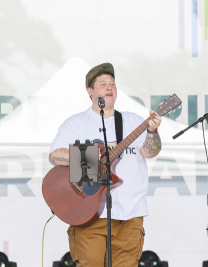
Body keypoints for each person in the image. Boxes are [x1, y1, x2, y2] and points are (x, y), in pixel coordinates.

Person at [48, 63, 162, 267]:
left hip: (131, 213)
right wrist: (95, 160)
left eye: (112, 83)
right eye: (103, 84)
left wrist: (152, 131)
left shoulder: (132, 121)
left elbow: (150, 151)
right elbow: (56, 155)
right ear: (90, 92)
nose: (109, 87)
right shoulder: (76, 123)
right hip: (89, 213)